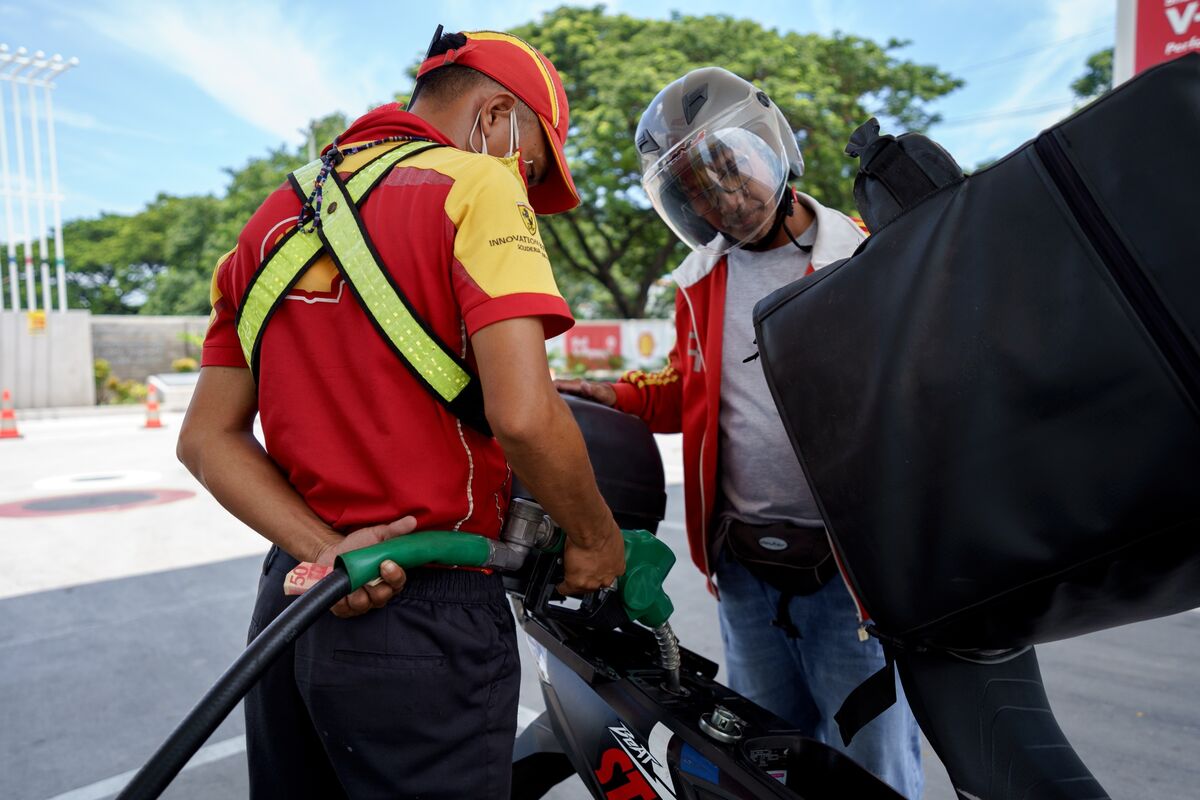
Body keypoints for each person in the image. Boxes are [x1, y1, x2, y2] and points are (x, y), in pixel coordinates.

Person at [178, 28, 625, 799]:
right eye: (530, 163)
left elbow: (206, 439)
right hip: (424, 610)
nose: (524, 186)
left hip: (292, 601)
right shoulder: (477, 186)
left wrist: (326, 551)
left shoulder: (266, 222)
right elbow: (524, 414)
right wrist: (595, 539)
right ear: (494, 118)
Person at [557, 67, 923, 798]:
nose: (724, 199)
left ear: (770, 146)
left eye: (729, 170)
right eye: (696, 191)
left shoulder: (864, 256)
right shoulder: (699, 282)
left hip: (850, 577)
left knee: (871, 773)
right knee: (758, 767)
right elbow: (688, 393)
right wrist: (608, 393)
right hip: (748, 573)